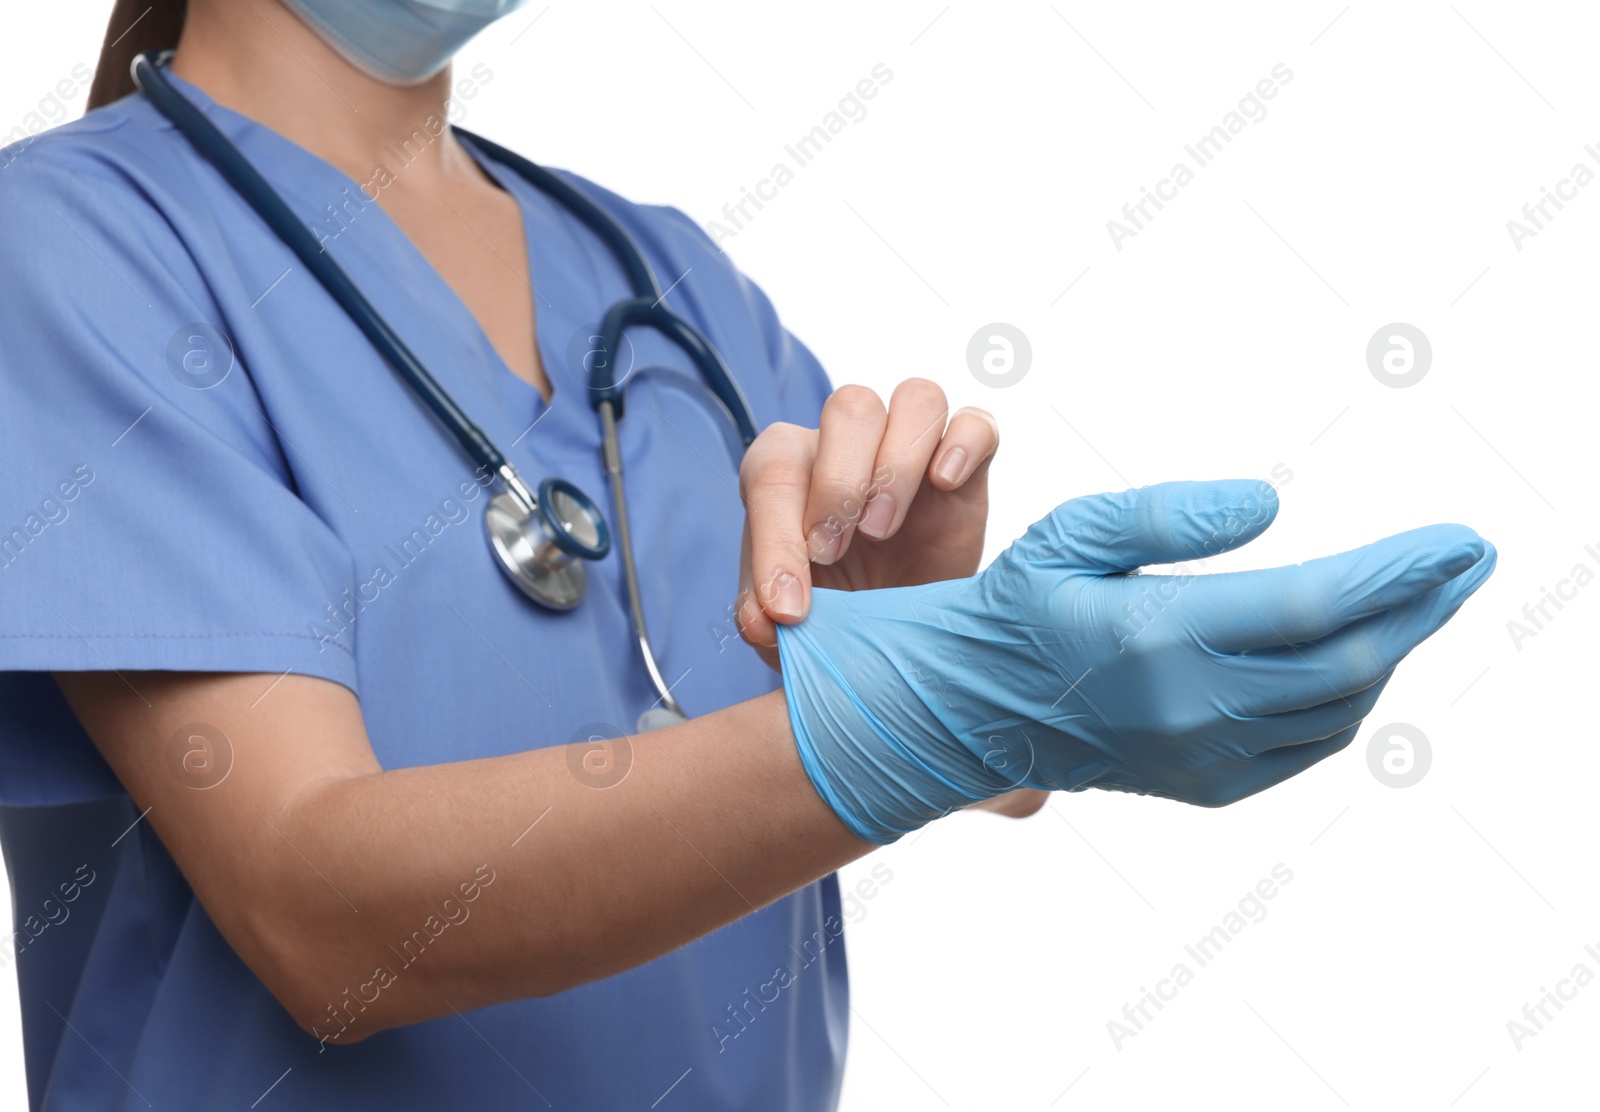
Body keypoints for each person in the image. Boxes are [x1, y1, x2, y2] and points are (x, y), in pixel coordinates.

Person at [0, 1, 1494, 1108]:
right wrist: (930, 713)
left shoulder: (660, 274)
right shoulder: (64, 245)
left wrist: (934, 641)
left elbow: (949, 742)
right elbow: (319, 918)